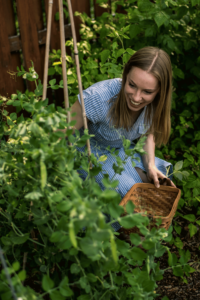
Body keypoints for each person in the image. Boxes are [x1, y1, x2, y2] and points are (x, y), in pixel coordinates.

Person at [66, 46, 176, 232]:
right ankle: (119, 232)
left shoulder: (155, 104)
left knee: (159, 185)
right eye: (132, 85)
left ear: (160, 91)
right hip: (89, 150)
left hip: (119, 150)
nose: (136, 97)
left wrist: (150, 166)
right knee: (129, 193)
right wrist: (68, 169)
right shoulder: (99, 98)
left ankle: (135, 231)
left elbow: (148, 134)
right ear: (125, 75)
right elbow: (63, 132)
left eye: (147, 92)